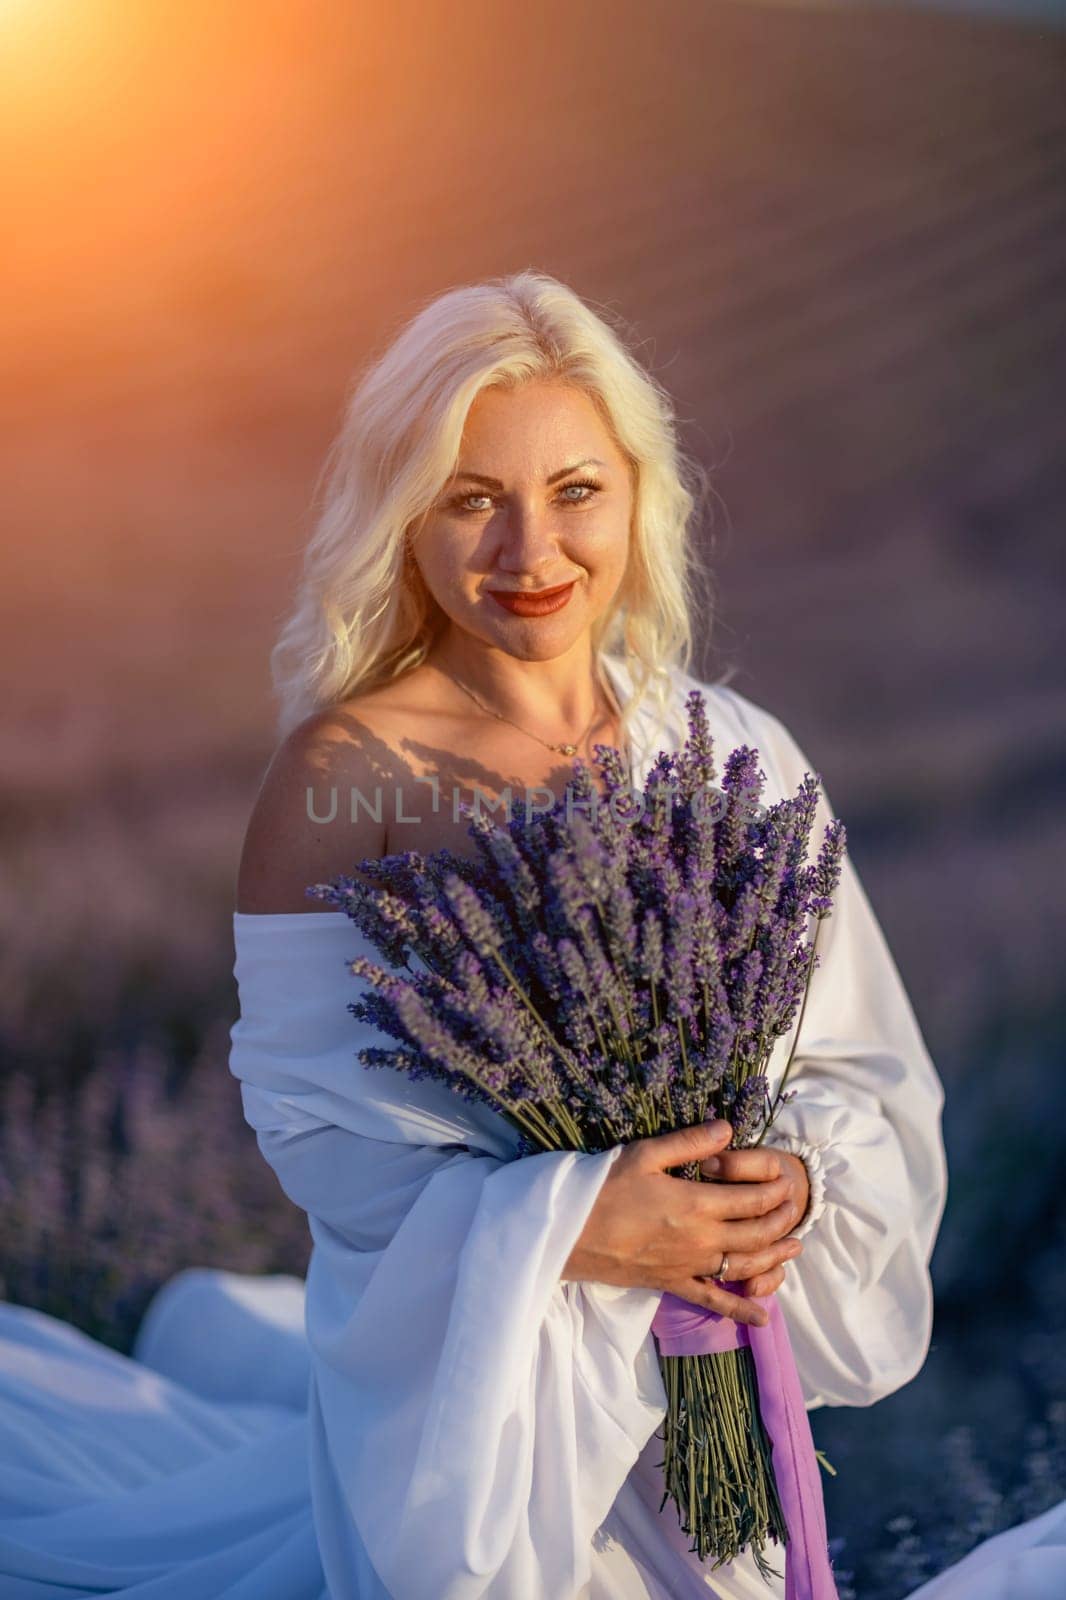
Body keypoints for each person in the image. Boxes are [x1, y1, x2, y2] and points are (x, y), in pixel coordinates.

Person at [7, 269, 1049, 1599]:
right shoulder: (347, 776)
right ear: (403, 516)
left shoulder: (735, 752)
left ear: (636, 494)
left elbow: (859, 1068)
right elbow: (317, 1138)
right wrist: (570, 1222)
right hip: (475, 1425)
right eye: (469, 498)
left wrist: (794, 1189)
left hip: (710, 1371)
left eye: (573, 493)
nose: (529, 554)